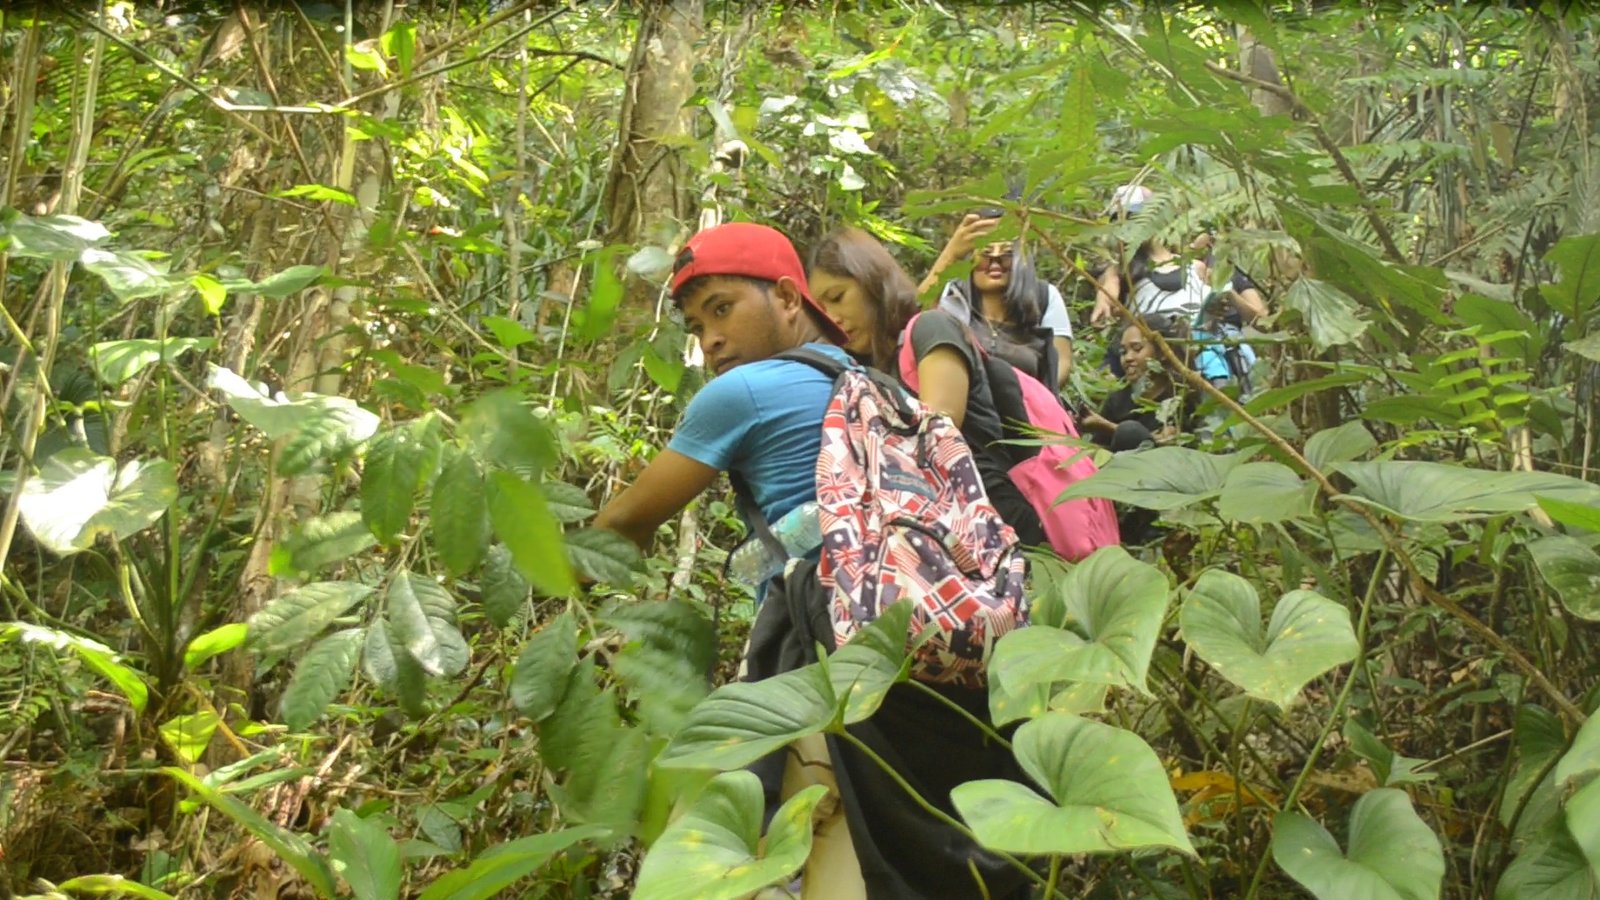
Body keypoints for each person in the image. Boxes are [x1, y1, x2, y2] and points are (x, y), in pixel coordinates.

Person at [595, 222, 1031, 900]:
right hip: (931, 635)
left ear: (790, 299)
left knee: (763, 852)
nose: (709, 339)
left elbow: (622, 523)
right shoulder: (878, 383)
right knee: (882, 852)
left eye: (722, 308)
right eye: (695, 323)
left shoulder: (739, 393)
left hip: (825, 649)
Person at [808, 226, 1049, 548]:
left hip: (998, 518)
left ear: (872, 282)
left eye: (838, 298)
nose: (833, 317)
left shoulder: (931, 329)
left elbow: (938, 427)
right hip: (945, 532)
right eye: (822, 310)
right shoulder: (871, 369)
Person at [918, 212, 1075, 389]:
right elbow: (913, 319)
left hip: (1027, 408)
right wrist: (951, 254)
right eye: (986, 254)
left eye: (1007, 254)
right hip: (966, 404)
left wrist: (1037, 399)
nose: (995, 263)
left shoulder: (1044, 296)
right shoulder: (953, 295)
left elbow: (1061, 362)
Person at [1081, 314, 1199, 452]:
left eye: (1137, 349)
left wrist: (1108, 427)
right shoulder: (1118, 400)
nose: (1127, 358)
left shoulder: (1183, 396)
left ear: (1162, 352)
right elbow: (1098, 449)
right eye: (1123, 352)